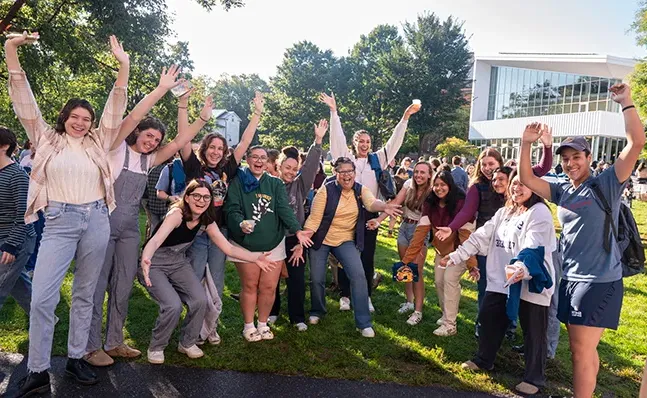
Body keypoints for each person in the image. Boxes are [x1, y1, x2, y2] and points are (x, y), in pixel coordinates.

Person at [6, 32, 129, 393]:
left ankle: (77, 358)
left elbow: (116, 108)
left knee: (86, 292)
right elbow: (24, 102)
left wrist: (123, 67)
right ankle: (39, 370)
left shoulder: (99, 142)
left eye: (86, 118)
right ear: (64, 118)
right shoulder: (46, 138)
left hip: (96, 220)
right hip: (59, 222)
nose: (80, 122)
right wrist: (11, 50)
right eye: (74, 116)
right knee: (44, 296)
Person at [518, 83, 644, 398]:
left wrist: (626, 102)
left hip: (599, 279)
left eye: (577, 156)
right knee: (584, 351)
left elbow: (637, 142)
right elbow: (527, 179)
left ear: (588, 156)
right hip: (570, 278)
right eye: (565, 159)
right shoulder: (564, 189)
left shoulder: (608, 182)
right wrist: (525, 144)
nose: (571, 163)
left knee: (579, 351)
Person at [85, 71, 214, 367]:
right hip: (102, 226)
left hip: (130, 230)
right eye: (148, 136)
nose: (152, 141)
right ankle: (91, 347)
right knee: (96, 286)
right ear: (137, 134)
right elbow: (131, 116)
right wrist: (161, 89)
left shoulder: (151, 160)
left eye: (156, 139)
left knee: (122, 287)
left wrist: (202, 118)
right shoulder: (116, 150)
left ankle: (114, 341)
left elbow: (183, 140)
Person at [446, 170, 556, 396]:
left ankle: (534, 377)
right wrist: (457, 255)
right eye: (514, 183)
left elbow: (533, 247)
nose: (517, 188)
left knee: (533, 330)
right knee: (488, 318)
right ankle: (484, 359)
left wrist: (521, 268)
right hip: (501, 280)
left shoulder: (540, 212)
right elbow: (480, 236)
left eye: (524, 184)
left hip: (530, 281)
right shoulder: (504, 212)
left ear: (536, 188)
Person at [140, 180, 274, 363]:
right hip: (154, 262)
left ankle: (187, 343)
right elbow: (155, 241)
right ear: (187, 197)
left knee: (200, 299)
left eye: (206, 197)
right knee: (173, 305)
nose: (201, 201)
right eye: (196, 196)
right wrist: (146, 259)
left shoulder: (206, 221)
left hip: (178, 261)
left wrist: (255, 257)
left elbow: (228, 249)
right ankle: (156, 346)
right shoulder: (176, 214)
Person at [436, 139, 552, 337]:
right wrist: (451, 228)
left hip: (514, 243)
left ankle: (509, 326)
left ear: (500, 163)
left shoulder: (514, 181)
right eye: (484, 164)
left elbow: (541, 168)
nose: (488, 169)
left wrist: (547, 146)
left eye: (492, 164)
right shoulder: (478, 187)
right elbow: (467, 212)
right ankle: (484, 324)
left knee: (514, 284)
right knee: (488, 286)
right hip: (486, 243)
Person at [320, 92, 419, 313]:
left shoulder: (378, 159)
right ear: (354, 143)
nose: (364, 145)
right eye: (360, 141)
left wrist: (405, 119)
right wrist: (334, 112)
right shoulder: (346, 159)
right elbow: (336, 140)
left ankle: (365, 296)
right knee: (346, 254)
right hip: (346, 214)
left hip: (370, 215)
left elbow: (394, 142)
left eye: (368, 142)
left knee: (366, 256)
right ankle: (345, 294)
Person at [181, 92, 264, 308]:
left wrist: (256, 113)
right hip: (196, 231)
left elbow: (245, 141)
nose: (216, 152)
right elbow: (184, 138)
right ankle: (195, 323)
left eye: (220, 148)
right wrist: (192, 110)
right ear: (204, 149)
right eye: (212, 147)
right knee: (196, 276)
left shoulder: (227, 168)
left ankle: (212, 325)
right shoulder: (193, 166)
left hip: (220, 231)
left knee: (216, 278)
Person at [303, 157, 402, 337]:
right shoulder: (325, 192)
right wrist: (304, 235)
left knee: (359, 276)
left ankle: (363, 323)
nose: (347, 175)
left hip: (345, 239)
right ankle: (317, 310)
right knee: (317, 278)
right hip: (322, 239)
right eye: (343, 171)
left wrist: (385, 206)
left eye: (350, 171)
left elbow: (372, 203)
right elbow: (314, 220)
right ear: (336, 173)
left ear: (354, 173)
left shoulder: (360, 190)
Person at [224, 145, 312, 342]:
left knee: (269, 286)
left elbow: (284, 209)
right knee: (250, 285)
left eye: (262, 157)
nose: (258, 160)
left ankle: (263, 324)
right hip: (245, 244)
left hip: (273, 243)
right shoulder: (237, 181)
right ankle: (248, 326)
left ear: (268, 162)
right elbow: (231, 209)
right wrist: (240, 223)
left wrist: (298, 230)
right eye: (254, 157)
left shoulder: (275, 184)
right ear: (247, 159)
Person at [393, 170, 476, 333]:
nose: (439, 188)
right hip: (441, 251)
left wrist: (472, 264)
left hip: (459, 251)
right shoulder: (430, 203)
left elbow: (466, 235)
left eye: (442, 185)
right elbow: (419, 235)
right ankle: (446, 315)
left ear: (450, 186)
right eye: (436, 185)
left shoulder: (460, 202)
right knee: (438, 282)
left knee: (449, 281)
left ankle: (450, 325)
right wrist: (405, 261)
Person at [269, 120, 327, 331]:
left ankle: (297, 316)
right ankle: (272, 311)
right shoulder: (269, 183)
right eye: (287, 168)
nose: (291, 172)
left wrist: (318, 140)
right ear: (279, 167)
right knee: (271, 278)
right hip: (273, 238)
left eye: (294, 169)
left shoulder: (300, 185)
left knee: (297, 279)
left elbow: (311, 165)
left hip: (295, 239)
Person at [367, 162, 433, 325]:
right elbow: (396, 203)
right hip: (404, 227)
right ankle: (409, 302)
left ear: (430, 174)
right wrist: (379, 219)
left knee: (416, 271)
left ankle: (418, 311)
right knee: (406, 268)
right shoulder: (408, 184)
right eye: (416, 172)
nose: (418, 175)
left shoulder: (432, 192)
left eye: (423, 173)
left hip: (421, 230)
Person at [0, 127, 35, 313]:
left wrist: (11, 245)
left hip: (16, 242)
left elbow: (24, 213)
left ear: (5, 146)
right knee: (19, 286)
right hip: (3, 238)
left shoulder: (17, 176)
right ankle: (46, 320)